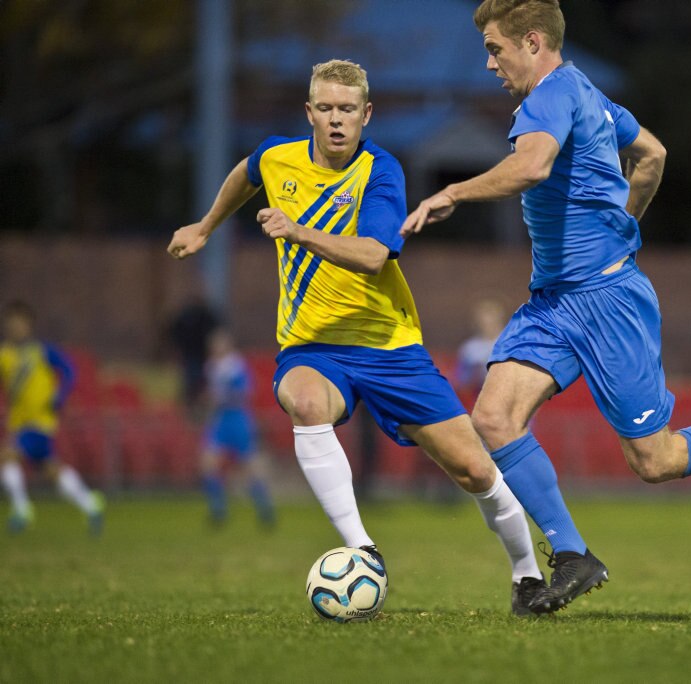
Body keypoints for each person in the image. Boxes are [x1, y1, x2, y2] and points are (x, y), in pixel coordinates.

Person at [402, 0, 691, 614]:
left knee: (654, 460)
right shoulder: (589, 93)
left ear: (532, 42)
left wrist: (452, 190)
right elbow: (653, 154)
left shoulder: (549, 96)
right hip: (553, 303)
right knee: (495, 419)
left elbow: (532, 165)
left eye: (496, 49)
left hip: (606, 303)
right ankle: (574, 554)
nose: (491, 64)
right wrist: (622, 224)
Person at [167, 59, 544, 615]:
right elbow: (247, 172)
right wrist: (205, 225)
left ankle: (528, 576)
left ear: (367, 114)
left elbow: (374, 255)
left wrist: (297, 230)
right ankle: (362, 548)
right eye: (326, 108)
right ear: (309, 113)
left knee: (474, 469)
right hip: (312, 346)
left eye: (348, 110)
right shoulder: (279, 156)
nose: (337, 120)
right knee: (304, 399)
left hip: (390, 348)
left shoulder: (381, 170)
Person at [0, 301, 105, 535]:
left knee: (6, 456)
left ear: (29, 325)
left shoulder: (41, 351)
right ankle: (90, 504)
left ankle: (21, 510)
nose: (15, 328)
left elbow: (69, 371)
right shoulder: (5, 355)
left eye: (20, 323)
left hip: (39, 421)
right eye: (11, 324)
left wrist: (60, 396)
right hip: (18, 423)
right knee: (51, 470)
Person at [199, 327, 276, 528]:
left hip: (238, 420)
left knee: (249, 467)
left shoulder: (236, 366)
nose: (216, 348)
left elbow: (246, 392)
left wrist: (224, 397)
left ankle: (265, 509)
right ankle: (218, 511)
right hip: (220, 421)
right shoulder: (211, 366)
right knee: (208, 463)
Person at [454, 299, 507, 397]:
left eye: (492, 321)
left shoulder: (509, 344)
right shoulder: (469, 348)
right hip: (478, 396)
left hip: (505, 394)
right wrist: (474, 373)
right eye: (484, 321)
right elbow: (460, 379)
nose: (487, 325)